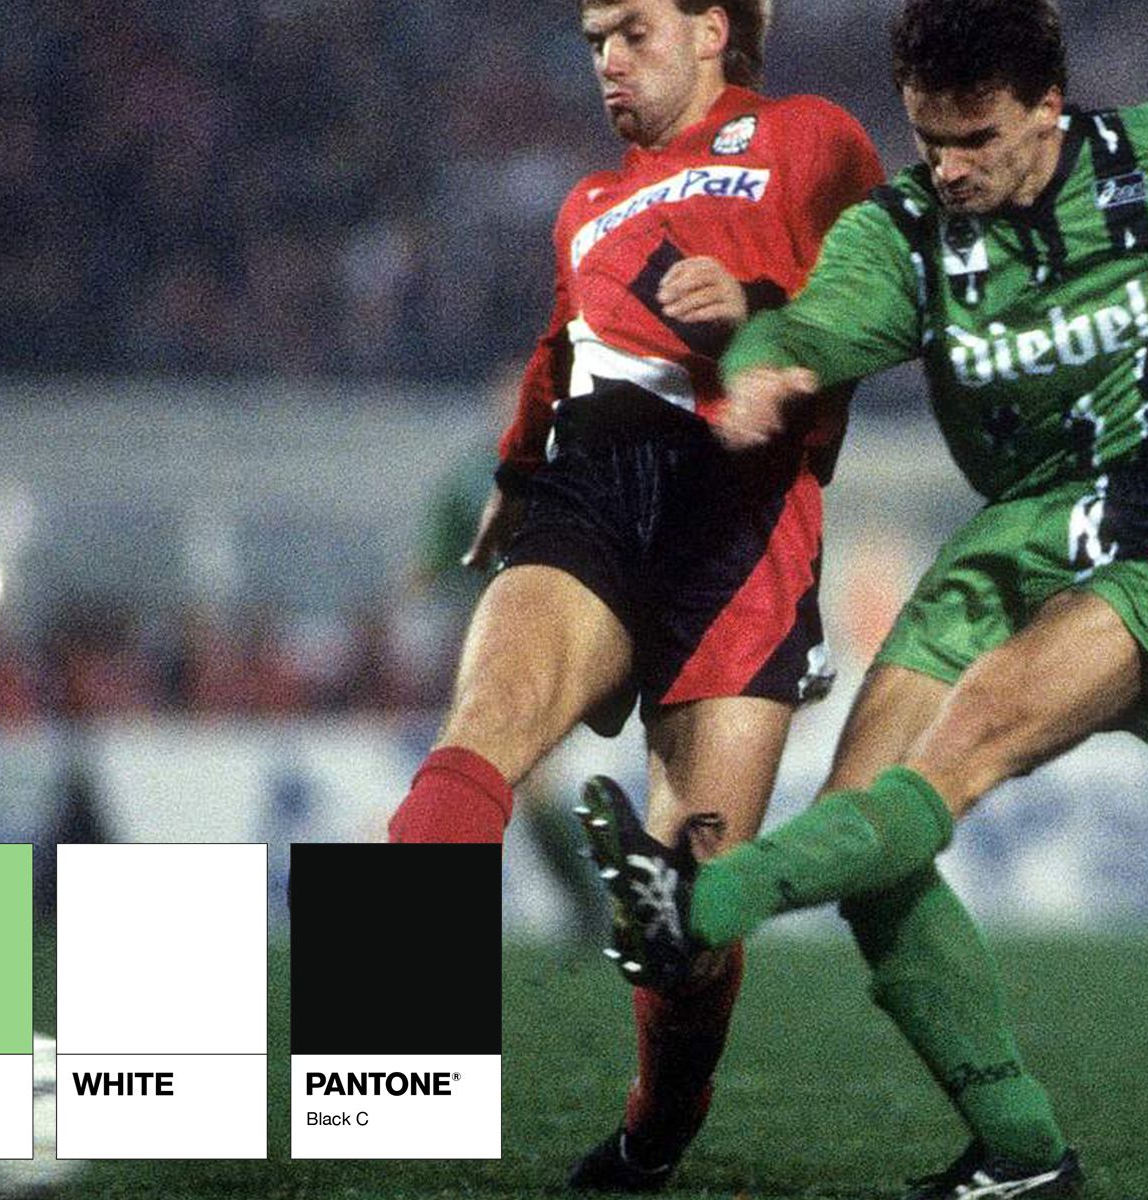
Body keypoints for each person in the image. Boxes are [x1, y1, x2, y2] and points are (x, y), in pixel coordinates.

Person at [578, 0, 1148, 1196]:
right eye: (928, 139)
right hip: (1011, 537)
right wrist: (760, 371)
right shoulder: (906, 230)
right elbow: (809, 328)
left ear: (1048, 107)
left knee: (952, 760)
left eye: (976, 140)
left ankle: (699, 905)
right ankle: (1021, 1151)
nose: (949, 169)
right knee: (865, 843)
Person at [382, 0, 885, 1189]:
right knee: (480, 736)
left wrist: (764, 315)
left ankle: (656, 1130)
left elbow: (894, 294)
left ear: (711, 29)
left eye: (633, 31)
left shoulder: (811, 137)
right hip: (597, 482)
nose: (607, 58)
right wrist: (517, 468)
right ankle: (376, 1077)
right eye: (593, 39)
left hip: (748, 512)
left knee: (686, 906)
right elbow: (559, 347)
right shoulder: (587, 205)